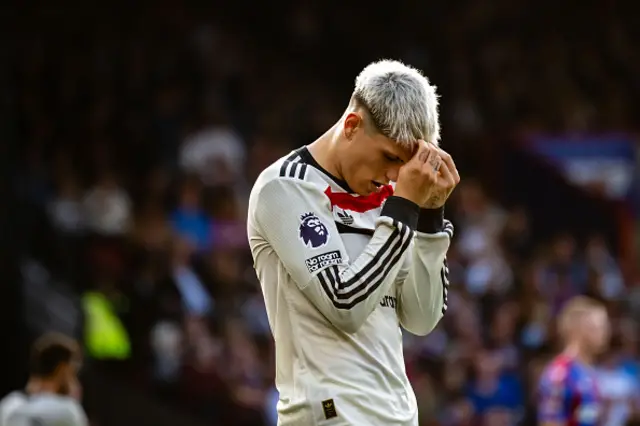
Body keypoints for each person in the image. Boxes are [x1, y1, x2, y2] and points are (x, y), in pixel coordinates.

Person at [248, 59, 459, 425]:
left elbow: (422, 318)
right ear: (351, 125)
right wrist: (405, 207)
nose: (394, 176)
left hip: (398, 415)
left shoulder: (391, 201)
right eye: (390, 157)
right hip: (330, 415)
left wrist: (429, 216)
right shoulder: (286, 187)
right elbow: (345, 303)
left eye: (404, 164)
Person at [537, 296, 610, 426]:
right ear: (578, 330)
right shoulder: (560, 372)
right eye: (598, 327)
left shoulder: (589, 372)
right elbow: (549, 421)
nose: (605, 333)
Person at [0, 332, 87, 426]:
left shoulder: (7, 406)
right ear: (62, 370)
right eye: (73, 374)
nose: (76, 383)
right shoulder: (69, 412)